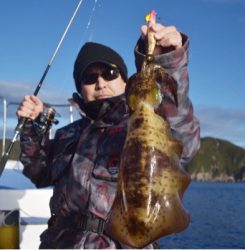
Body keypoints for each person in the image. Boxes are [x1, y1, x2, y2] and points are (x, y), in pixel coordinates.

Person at [17, 22, 200, 249]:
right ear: (80, 87)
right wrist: (32, 128)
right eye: (89, 78)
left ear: (125, 81)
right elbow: (38, 172)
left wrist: (169, 61)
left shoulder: (139, 123)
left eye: (110, 73)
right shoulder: (68, 134)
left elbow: (182, 136)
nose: (101, 82)